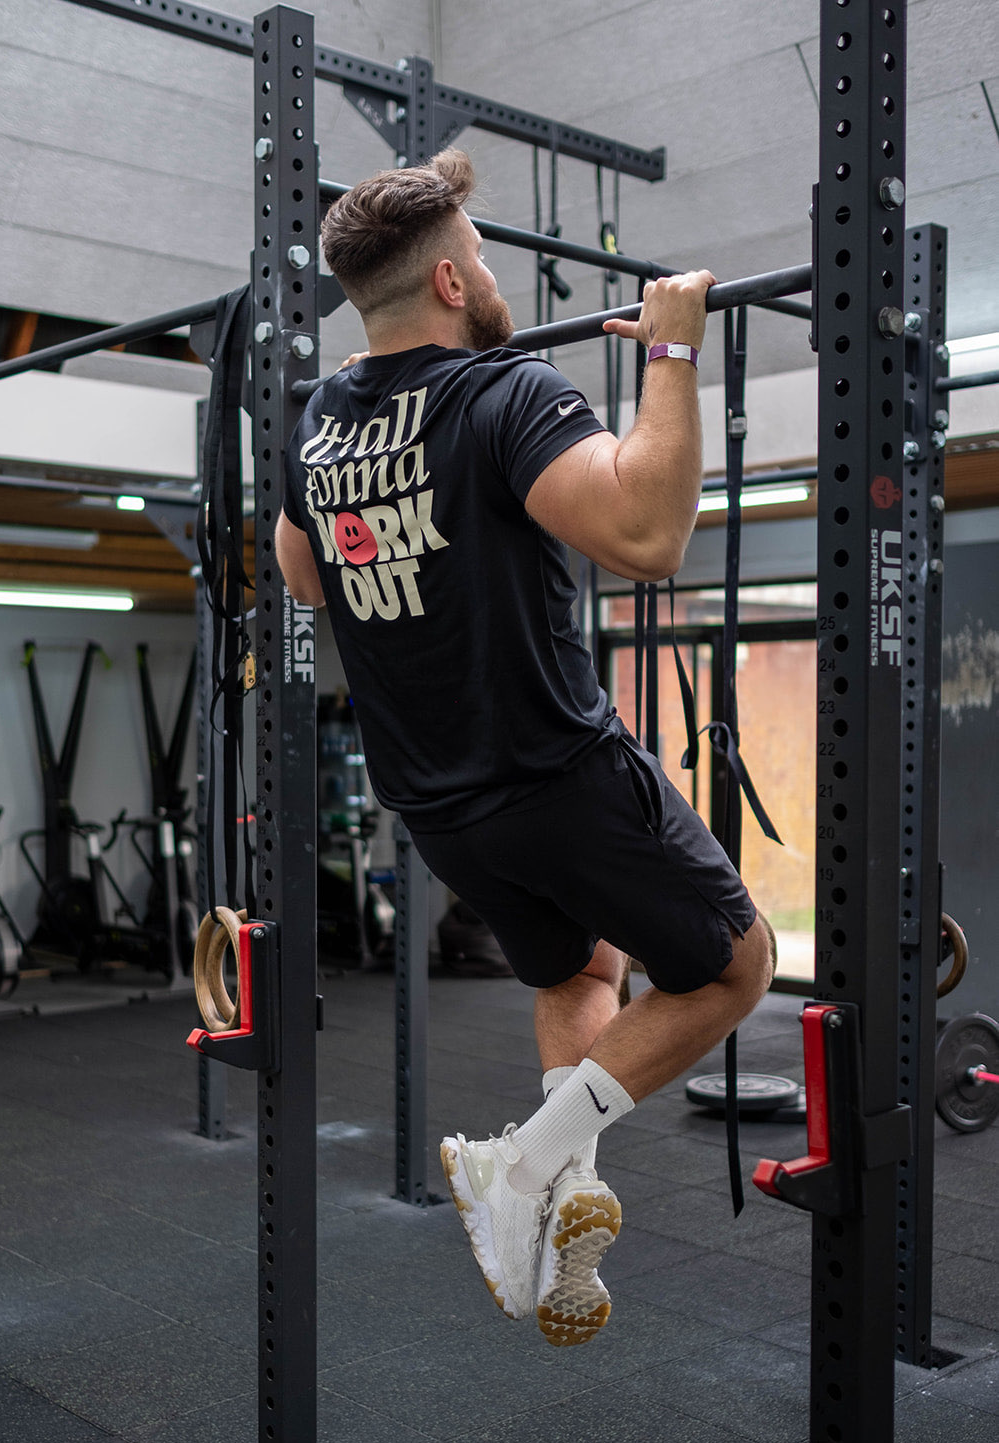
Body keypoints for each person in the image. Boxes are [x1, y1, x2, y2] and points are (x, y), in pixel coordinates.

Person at [276, 149, 773, 1348]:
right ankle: (524, 1162)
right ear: (450, 281)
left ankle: (549, 1213)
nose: (494, 276)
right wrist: (668, 351)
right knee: (732, 965)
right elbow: (647, 535)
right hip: (556, 772)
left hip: (442, 813)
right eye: (483, 257)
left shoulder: (326, 417)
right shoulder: (506, 394)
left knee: (579, 974)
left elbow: (304, 575)